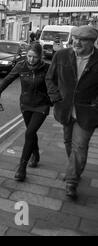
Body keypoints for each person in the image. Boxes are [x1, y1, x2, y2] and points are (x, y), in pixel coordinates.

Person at [45, 25, 98, 199]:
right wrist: (55, 97)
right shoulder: (61, 56)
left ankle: (71, 181)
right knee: (68, 143)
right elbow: (49, 78)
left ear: (92, 42)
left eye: (82, 39)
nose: (77, 42)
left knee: (79, 146)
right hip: (65, 110)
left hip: (87, 113)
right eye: (75, 38)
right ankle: (74, 169)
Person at [0, 43, 51, 182]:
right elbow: (8, 79)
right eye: (29, 56)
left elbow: (57, 84)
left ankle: (22, 168)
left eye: (35, 57)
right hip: (25, 104)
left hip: (41, 105)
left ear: (40, 57)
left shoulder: (47, 68)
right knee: (31, 132)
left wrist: (56, 99)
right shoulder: (21, 65)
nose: (31, 60)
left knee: (29, 133)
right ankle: (35, 154)